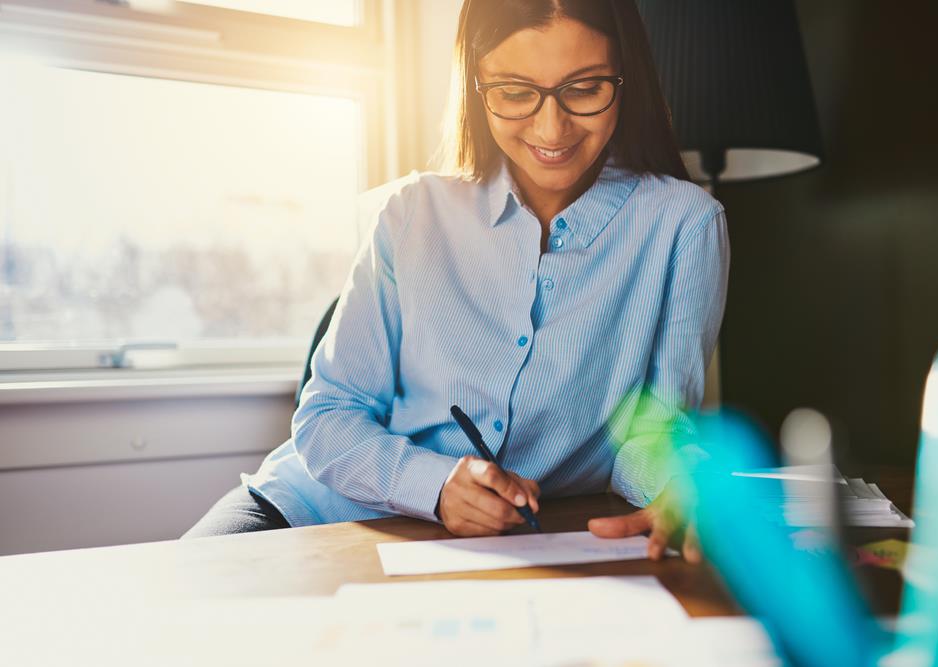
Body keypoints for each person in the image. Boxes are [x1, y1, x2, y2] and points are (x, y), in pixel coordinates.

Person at [184, 0, 728, 557]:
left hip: (518, 543)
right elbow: (328, 418)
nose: (551, 128)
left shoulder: (685, 226)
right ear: (476, 86)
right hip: (318, 508)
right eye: (516, 93)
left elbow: (655, 433)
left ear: (625, 78)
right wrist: (435, 485)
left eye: (585, 89)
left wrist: (682, 486)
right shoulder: (411, 213)